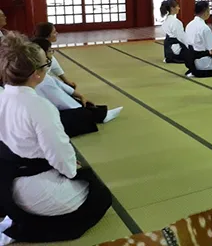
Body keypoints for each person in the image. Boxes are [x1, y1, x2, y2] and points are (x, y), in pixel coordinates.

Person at [0, 33, 111, 244]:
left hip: (7, 185)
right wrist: (72, 169)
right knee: (100, 196)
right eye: (46, 63)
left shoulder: (3, 96)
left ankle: (13, 217)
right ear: (37, 74)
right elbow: (58, 153)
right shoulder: (39, 107)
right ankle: (23, 226)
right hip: (36, 192)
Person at [31, 38, 122, 138]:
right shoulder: (41, 80)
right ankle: (99, 115)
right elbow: (61, 100)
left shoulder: (38, 74)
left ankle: (98, 113)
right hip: (40, 118)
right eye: (50, 51)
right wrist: (82, 108)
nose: (52, 54)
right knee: (81, 113)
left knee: (78, 102)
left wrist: (80, 96)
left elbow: (59, 86)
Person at [34, 22, 77, 89]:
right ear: (47, 35)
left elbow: (54, 64)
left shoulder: (45, 48)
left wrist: (66, 80)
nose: (57, 33)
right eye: (54, 32)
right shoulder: (40, 52)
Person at [160, 0, 186, 64]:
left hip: (169, 50)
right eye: (177, 6)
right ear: (172, 8)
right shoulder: (176, 22)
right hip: (177, 50)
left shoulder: (166, 21)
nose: (179, 8)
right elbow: (181, 38)